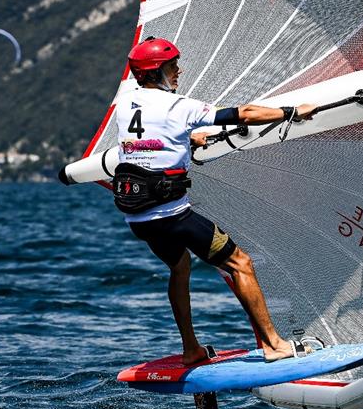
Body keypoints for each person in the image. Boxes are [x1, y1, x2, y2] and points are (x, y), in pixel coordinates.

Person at [114, 36, 318, 365]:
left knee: (179, 267)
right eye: (171, 65)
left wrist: (186, 136)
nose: (178, 70)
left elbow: (146, 139)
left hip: (138, 218)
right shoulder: (178, 107)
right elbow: (245, 114)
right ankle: (274, 345)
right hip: (172, 216)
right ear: (156, 71)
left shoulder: (126, 105)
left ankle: (191, 349)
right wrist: (291, 112)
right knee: (241, 263)